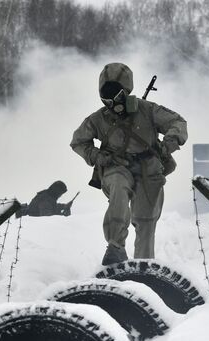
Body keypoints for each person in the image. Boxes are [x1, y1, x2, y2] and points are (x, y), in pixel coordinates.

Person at [70, 62, 188, 265]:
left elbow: (177, 122)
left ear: (126, 91)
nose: (111, 102)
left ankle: (143, 265)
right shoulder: (98, 119)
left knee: (146, 220)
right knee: (118, 188)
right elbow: (79, 141)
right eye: (106, 97)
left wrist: (169, 143)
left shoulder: (147, 110)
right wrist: (99, 157)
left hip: (148, 169)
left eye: (115, 95)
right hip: (116, 166)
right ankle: (115, 247)